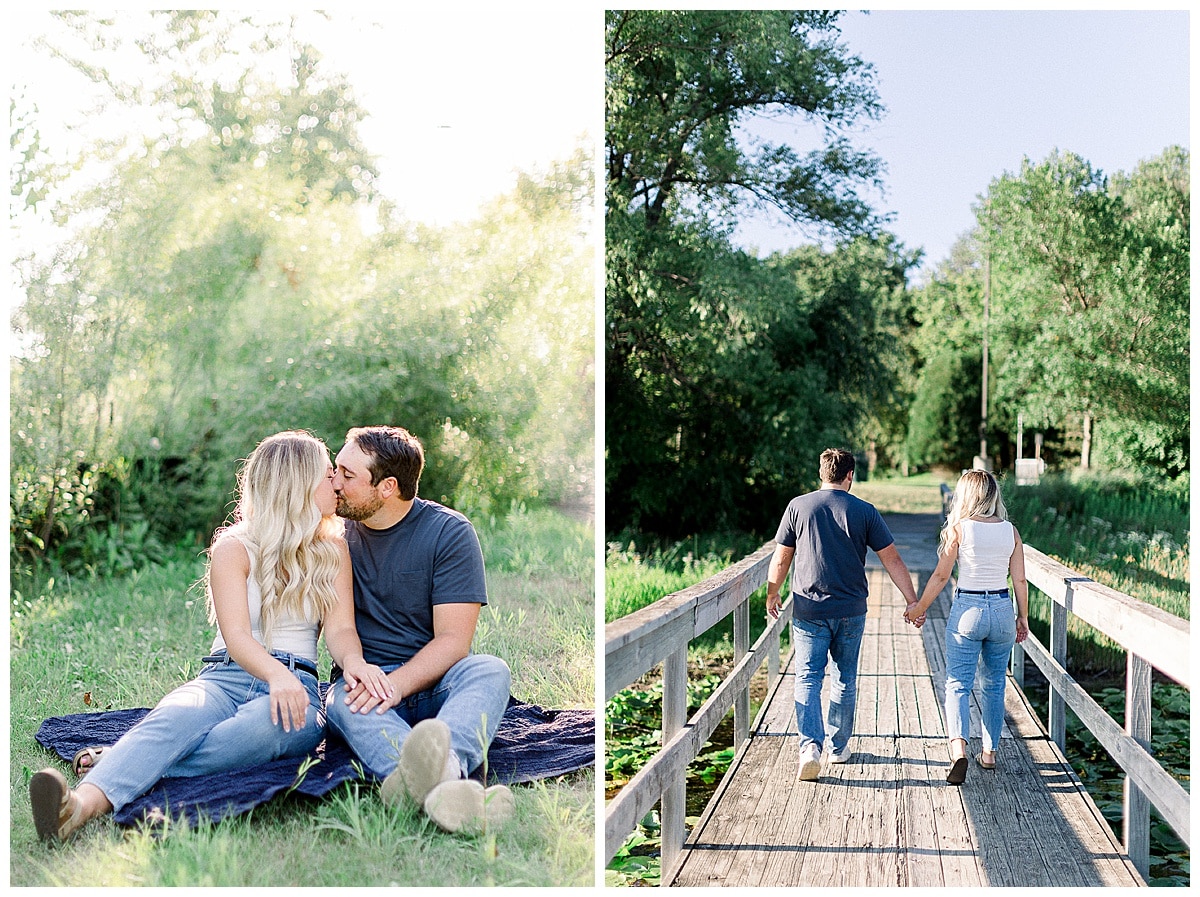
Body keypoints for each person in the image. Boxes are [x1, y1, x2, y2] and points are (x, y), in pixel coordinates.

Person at [29, 431, 392, 843]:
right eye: (328, 475)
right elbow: (236, 636)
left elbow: (342, 630)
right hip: (225, 677)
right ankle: (77, 808)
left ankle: (123, 759)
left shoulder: (333, 549)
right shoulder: (234, 547)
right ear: (298, 484)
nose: (337, 484)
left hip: (299, 689)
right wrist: (275, 675)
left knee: (262, 730)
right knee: (176, 717)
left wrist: (356, 663)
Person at [324, 426, 514, 833]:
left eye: (347, 475)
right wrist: (364, 673)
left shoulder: (449, 533)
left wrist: (395, 685)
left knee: (490, 669)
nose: (334, 482)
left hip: (433, 682)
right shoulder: (333, 536)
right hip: (363, 686)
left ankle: (434, 771)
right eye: (335, 470)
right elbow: (337, 628)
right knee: (341, 701)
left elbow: (453, 641)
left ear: (387, 486)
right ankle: (449, 791)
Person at [766, 448, 919, 781]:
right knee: (844, 677)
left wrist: (773, 591)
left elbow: (781, 559)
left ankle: (809, 748)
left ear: (821, 472)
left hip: (808, 608)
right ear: (850, 475)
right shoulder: (865, 511)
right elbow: (892, 559)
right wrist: (912, 601)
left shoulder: (798, 507)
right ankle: (837, 748)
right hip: (851, 610)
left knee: (807, 677)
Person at [904, 469, 1030, 785]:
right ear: (992, 496)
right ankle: (989, 753)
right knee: (994, 683)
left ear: (965, 496)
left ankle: (959, 749)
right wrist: (1022, 617)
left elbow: (941, 577)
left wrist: (919, 608)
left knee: (958, 683)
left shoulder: (960, 530)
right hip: (1002, 609)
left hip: (967, 612)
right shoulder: (1010, 531)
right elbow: (1019, 579)